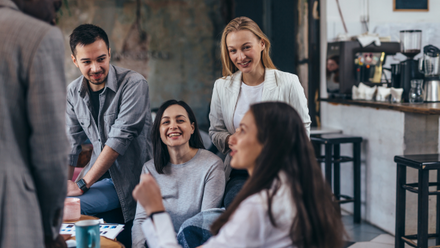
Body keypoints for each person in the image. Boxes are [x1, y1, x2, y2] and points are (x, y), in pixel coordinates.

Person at [133, 102, 345, 248]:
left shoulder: (260, 207)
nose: (231, 140)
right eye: (165, 122)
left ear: (268, 142)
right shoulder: (294, 189)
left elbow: (203, 223)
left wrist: (156, 212)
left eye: (242, 131)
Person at [208, 16, 311, 208]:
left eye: (246, 47)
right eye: (233, 51)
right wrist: (230, 139)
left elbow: (302, 128)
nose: (241, 57)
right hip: (240, 172)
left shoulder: (289, 82)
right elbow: (215, 131)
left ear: (261, 44)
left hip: (280, 168)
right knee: (238, 207)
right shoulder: (222, 87)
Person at [65, 24, 153, 227]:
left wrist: (80, 184)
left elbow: (118, 140)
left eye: (101, 59)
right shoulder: (72, 92)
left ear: (109, 53)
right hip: (94, 179)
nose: (95, 68)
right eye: (86, 61)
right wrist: (65, 186)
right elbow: (69, 144)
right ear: (75, 61)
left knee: (68, 208)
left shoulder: (134, 84)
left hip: (129, 180)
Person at [0, 0, 69, 247]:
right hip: (10, 213)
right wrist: (50, 229)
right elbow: (50, 154)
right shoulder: (37, 37)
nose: (55, 11)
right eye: (55, 3)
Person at [132, 100, 225, 248]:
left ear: (192, 127)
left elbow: (204, 224)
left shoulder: (212, 165)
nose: (173, 126)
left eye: (180, 120)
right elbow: (141, 220)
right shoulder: (149, 168)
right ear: (159, 131)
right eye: (165, 122)